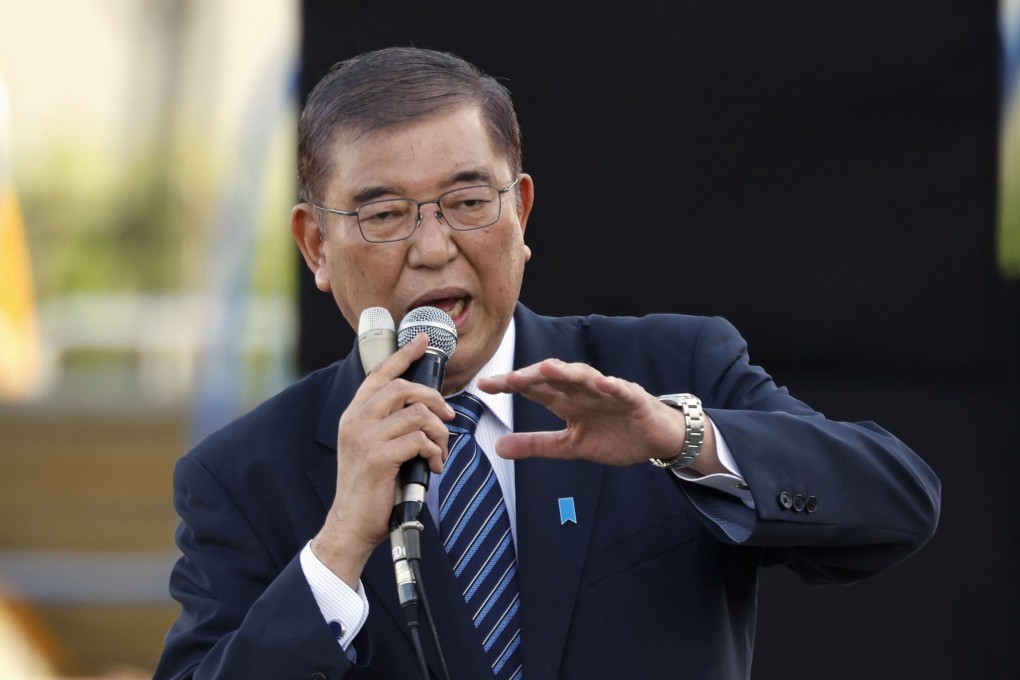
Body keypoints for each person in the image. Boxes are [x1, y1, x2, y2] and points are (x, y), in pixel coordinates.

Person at [154, 47, 941, 680]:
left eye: (469, 203)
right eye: (386, 214)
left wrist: (681, 439)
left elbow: (898, 505)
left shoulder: (667, 367)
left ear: (521, 212)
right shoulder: (244, 476)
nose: (434, 248)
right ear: (316, 246)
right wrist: (335, 553)